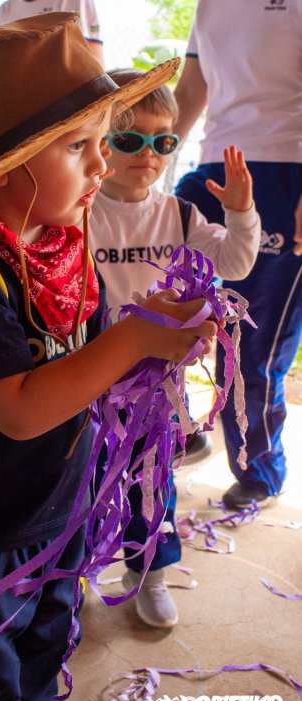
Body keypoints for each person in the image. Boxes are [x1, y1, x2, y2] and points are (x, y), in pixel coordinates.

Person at [0, 13, 218, 701]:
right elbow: (18, 409)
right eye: (80, 146)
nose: (103, 165)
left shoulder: (68, 245)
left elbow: (92, 366)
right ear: (8, 165)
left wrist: (158, 337)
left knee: (41, 674)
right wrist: (136, 335)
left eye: (103, 143)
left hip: (62, 514)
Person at [88, 68, 260, 628]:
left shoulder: (180, 214)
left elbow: (235, 263)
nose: (149, 154)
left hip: (155, 386)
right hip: (87, 377)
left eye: (163, 141)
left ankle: (150, 573)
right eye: (130, 139)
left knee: (151, 482)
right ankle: (74, 574)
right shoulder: (80, 213)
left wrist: (240, 212)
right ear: (99, 141)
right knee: (82, 482)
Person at [173, 0, 302, 510]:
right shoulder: (210, 5)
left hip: (283, 171)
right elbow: (189, 92)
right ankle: (179, 427)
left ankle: (259, 470)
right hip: (212, 167)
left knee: (251, 345)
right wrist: (146, 156)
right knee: (155, 305)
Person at [0, 0, 104, 64]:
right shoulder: (4, 10)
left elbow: (91, 51)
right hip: (20, 86)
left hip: (67, 86)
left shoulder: (76, 1)